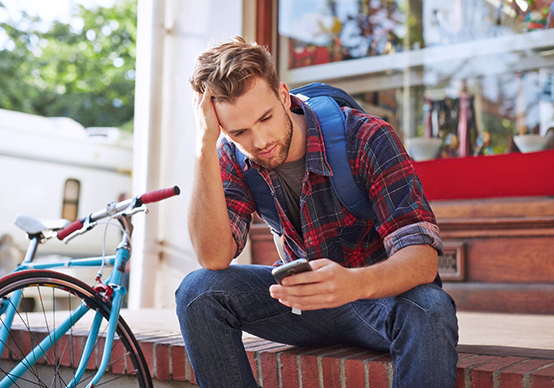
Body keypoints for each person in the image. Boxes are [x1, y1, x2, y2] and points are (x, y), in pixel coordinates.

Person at [175, 36, 458, 388]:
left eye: (265, 118)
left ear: (283, 95)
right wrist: (205, 146)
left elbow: (422, 259)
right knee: (197, 292)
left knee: (430, 307)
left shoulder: (366, 137)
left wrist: (354, 283)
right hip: (302, 306)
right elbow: (213, 257)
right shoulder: (231, 157)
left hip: (376, 302)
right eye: (240, 132)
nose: (260, 141)